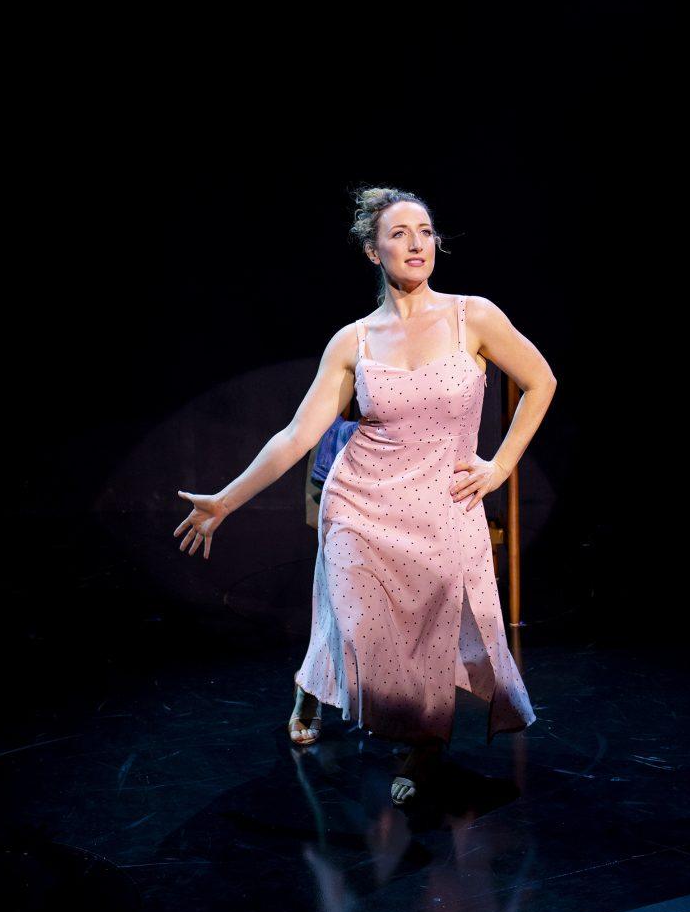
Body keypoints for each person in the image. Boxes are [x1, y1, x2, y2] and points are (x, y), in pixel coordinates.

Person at [174, 185, 557, 805]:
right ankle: (314, 682)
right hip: (360, 502)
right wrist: (226, 499)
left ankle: (425, 743)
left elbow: (541, 381)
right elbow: (298, 434)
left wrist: (501, 466)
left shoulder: (474, 317)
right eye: (400, 234)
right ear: (373, 252)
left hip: (444, 505)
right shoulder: (352, 341)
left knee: (433, 635)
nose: (417, 244)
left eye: (425, 232)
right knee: (358, 630)